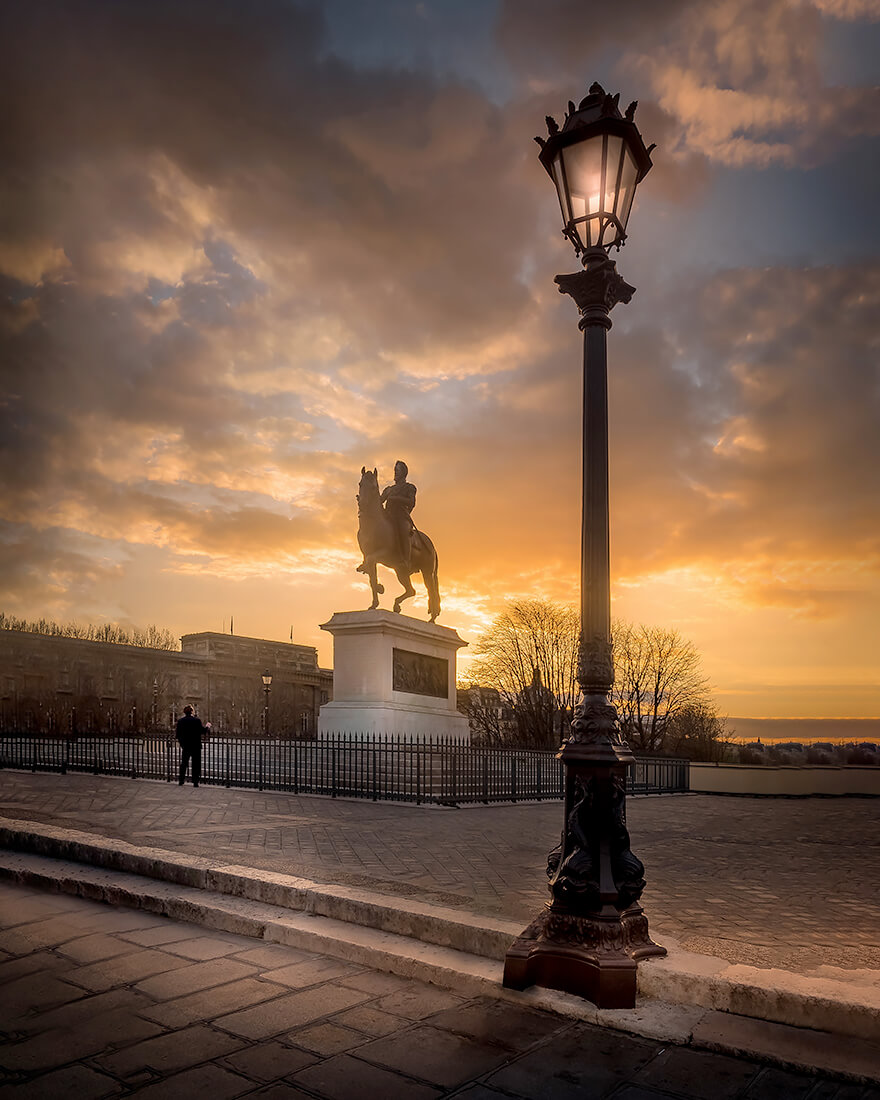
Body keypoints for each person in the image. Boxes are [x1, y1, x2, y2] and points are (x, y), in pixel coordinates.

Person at [380, 460, 417, 572]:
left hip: (401, 516)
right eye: (395, 470)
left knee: (403, 530)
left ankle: (406, 560)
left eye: (398, 471)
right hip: (388, 516)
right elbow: (379, 501)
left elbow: (411, 502)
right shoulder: (388, 490)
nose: (395, 473)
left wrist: (396, 498)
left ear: (404, 473)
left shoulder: (409, 487)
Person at [175, 705, 207, 788]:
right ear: (192, 711)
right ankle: (195, 782)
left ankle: (181, 780)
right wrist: (208, 726)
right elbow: (202, 731)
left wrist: (182, 744)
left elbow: (178, 735)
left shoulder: (181, 721)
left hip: (186, 745)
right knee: (196, 764)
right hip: (196, 746)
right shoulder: (197, 721)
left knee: (184, 763)